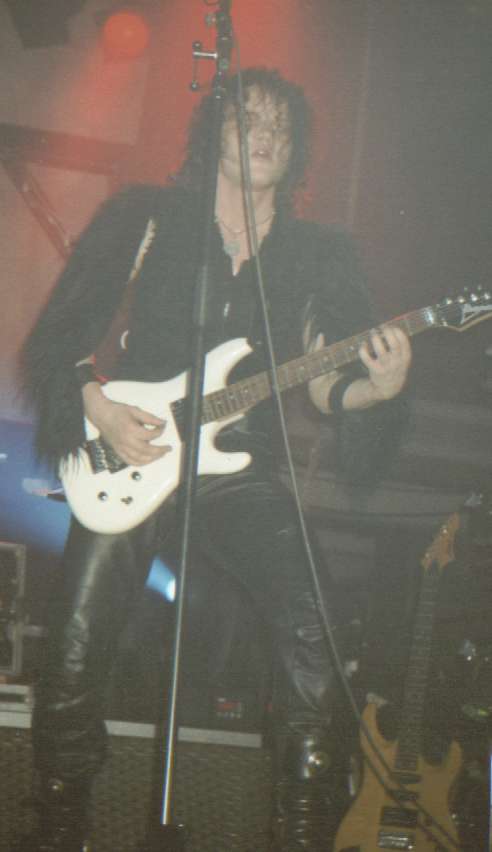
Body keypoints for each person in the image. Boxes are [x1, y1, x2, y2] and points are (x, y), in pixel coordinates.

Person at [17, 67, 411, 852]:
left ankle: (302, 830)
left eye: (281, 128)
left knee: (314, 622)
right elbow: (64, 333)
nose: (266, 136)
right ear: (214, 132)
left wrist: (376, 391)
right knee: (74, 644)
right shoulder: (146, 218)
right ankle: (60, 829)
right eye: (250, 120)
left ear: (297, 152)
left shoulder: (317, 255)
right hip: (133, 448)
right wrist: (98, 405)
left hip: (239, 469)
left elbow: (323, 381)